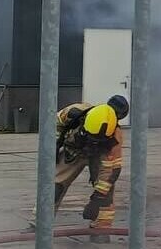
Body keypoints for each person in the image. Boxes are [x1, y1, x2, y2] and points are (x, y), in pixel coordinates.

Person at [53, 100, 125, 238]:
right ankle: (39, 222)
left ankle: (102, 229)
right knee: (54, 187)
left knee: (106, 193)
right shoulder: (74, 112)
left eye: (98, 139)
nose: (94, 142)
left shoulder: (115, 137)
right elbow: (54, 124)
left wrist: (97, 199)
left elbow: (111, 170)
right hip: (74, 151)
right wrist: (55, 144)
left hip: (99, 156)